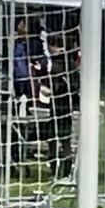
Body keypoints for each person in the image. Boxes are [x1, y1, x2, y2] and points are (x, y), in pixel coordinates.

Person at [45, 33, 77, 184]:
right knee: (65, 140)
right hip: (67, 106)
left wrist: (48, 88)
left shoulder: (57, 64)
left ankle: (57, 172)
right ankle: (65, 172)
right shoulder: (71, 62)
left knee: (54, 139)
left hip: (58, 105)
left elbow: (54, 86)